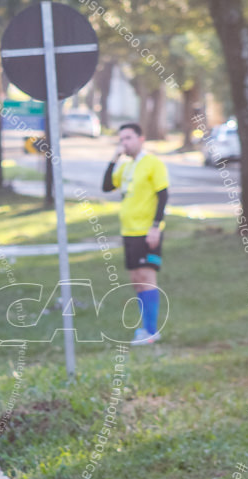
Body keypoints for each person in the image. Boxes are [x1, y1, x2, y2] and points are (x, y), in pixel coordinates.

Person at [102, 122, 168, 345]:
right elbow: (106, 186)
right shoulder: (126, 166)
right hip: (129, 231)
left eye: (128, 138)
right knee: (136, 280)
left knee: (147, 278)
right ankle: (144, 328)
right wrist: (114, 158)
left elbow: (163, 195)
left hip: (146, 231)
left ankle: (151, 331)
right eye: (121, 139)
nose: (124, 143)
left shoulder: (152, 163)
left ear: (141, 139)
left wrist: (155, 227)